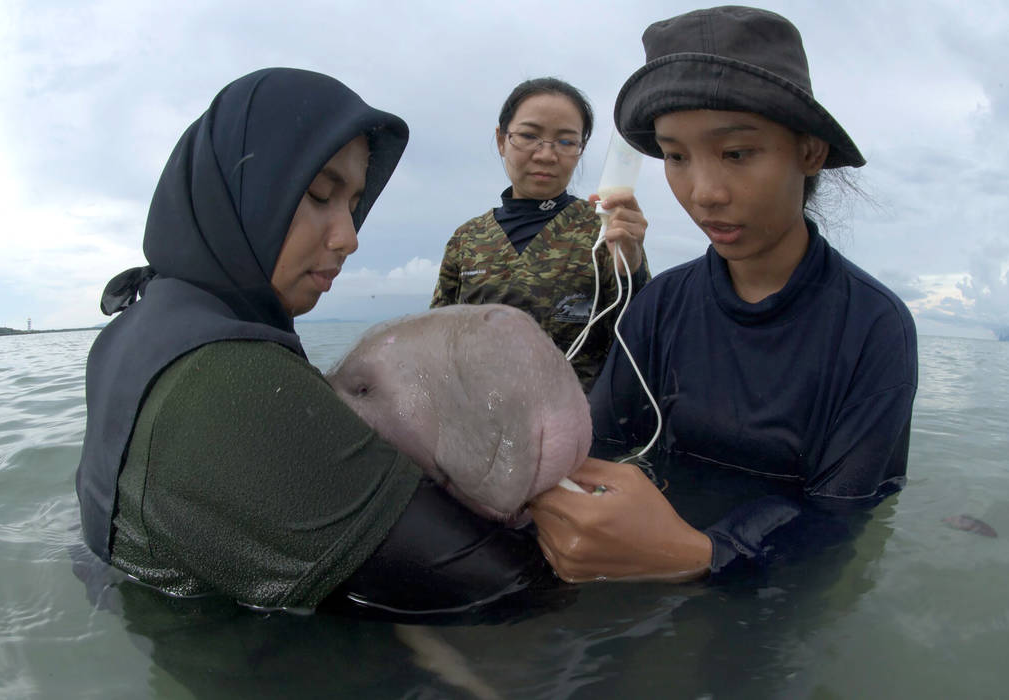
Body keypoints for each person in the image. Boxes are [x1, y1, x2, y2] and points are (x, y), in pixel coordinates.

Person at [75, 68, 559, 615]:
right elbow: (508, 587)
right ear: (239, 193)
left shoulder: (131, 332)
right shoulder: (233, 384)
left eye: (353, 205)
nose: (349, 238)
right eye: (319, 194)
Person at [529, 7, 918, 581]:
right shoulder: (659, 305)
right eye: (677, 157)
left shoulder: (874, 326)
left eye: (736, 153)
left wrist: (702, 556)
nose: (704, 193)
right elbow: (602, 446)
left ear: (809, 152)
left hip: (770, 599)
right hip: (630, 573)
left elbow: (841, 518)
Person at [430, 77, 650, 391]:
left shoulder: (607, 230)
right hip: (481, 426)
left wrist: (630, 266)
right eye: (529, 136)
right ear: (501, 140)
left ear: (580, 149)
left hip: (580, 428)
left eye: (565, 141)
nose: (546, 155)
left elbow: (643, 336)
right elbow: (437, 341)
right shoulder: (466, 239)